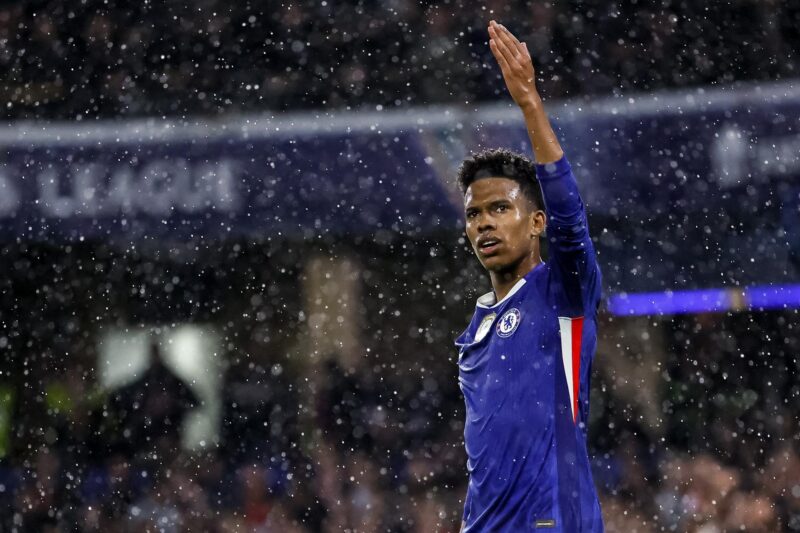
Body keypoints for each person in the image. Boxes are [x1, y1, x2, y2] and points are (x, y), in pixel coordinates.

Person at [455, 21, 604, 532]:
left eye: (499, 208)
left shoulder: (562, 293)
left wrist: (529, 103)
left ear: (536, 222)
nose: (484, 223)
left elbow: (571, 218)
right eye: (474, 215)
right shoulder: (474, 329)